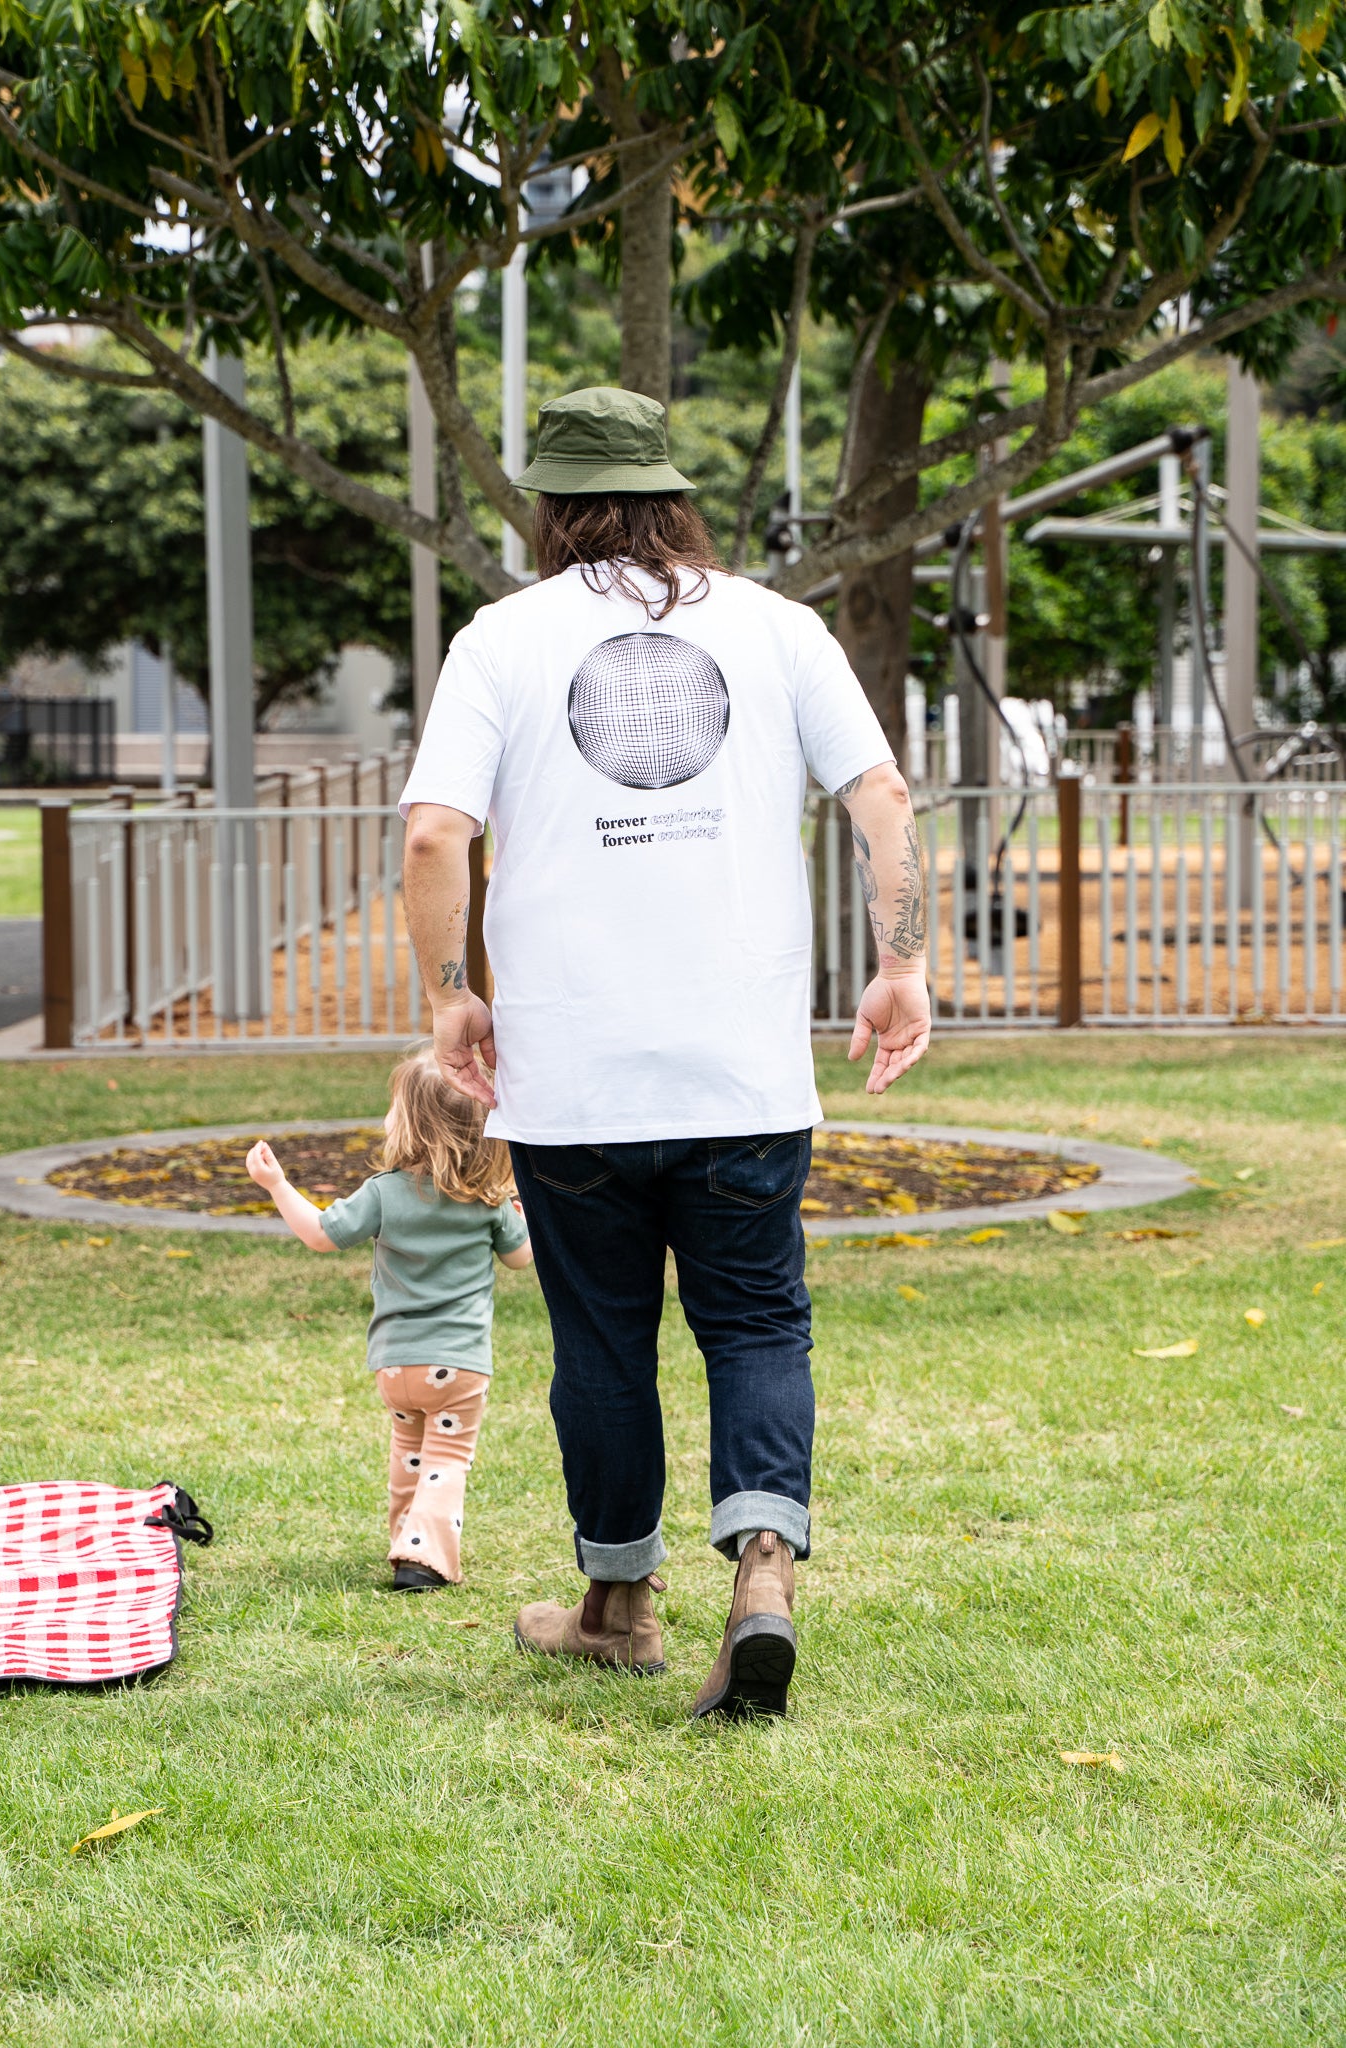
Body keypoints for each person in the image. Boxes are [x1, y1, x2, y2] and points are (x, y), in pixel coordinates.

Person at [400, 385, 929, 1715]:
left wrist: (450, 993)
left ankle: (617, 1604)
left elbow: (430, 835)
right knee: (755, 1321)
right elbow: (882, 797)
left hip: (572, 1078)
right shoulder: (780, 627)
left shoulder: (502, 639)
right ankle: (761, 1569)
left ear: (549, 504)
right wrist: (901, 963)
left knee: (601, 1344)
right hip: (743, 1065)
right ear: (670, 492)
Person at [245, 1053, 533, 1590]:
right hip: (458, 1366)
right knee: (447, 1458)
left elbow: (319, 1234)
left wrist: (277, 1185)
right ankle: (423, 1559)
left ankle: (405, 1540)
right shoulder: (487, 1202)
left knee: (410, 1453)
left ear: (411, 1126)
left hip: (395, 1366)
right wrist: (519, 1208)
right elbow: (521, 1258)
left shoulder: (383, 1192)